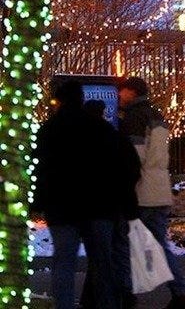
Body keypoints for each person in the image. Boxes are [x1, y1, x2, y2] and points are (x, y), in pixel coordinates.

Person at [32, 81, 129, 309]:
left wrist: (39, 200)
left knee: (64, 262)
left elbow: (40, 168)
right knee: (102, 264)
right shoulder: (101, 128)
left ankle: (64, 305)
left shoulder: (50, 129)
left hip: (62, 208)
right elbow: (117, 166)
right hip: (99, 207)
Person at [118, 77, 185, 309]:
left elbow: (135, 157)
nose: (119, 95)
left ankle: (127, 294)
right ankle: (180, 294)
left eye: (122, 90)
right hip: (160, 189)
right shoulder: (157, 115)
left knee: (124, 244)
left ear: (132, 92)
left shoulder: (133, 118)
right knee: (160, 246)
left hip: (142, 192)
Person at [79, 99, 141, 309]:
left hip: (97, 208)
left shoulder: (84, 141)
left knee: (100, 258)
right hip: (121, 206)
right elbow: (134, 169)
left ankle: (106, 302)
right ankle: (126, 293)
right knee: (120, 252)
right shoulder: (117, 137)